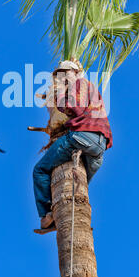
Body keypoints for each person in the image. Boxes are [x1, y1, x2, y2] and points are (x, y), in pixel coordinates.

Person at [33, 60, 113, 231]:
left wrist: (60, 94)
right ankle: (77, 213)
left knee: (39, 170)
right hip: (99, 148)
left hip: (81, 137)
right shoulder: (91, 88)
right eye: (59, 75)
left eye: (66, 73)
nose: (63, 77)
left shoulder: (79, 85)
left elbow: (74, 108)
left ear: (76, 72)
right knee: (79, 186)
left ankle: (46, 216)